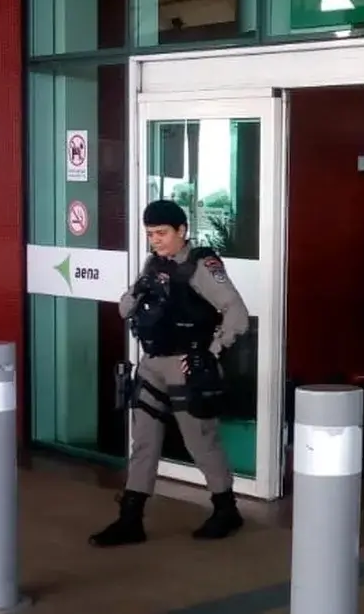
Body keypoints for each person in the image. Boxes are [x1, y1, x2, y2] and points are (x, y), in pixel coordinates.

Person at [90, 200, 250, 548]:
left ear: (182, 231)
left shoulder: (201, 266)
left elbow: (236, 313)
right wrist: (139, 291)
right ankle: (130, 519)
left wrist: (209, 354)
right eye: (150, 234)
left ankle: (226, 509)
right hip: (152, 364)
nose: (156, 241)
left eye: (162, 233)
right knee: (144, 442)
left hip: (186, 366)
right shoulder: (153, 264)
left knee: (201, 441)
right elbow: (123, 308)